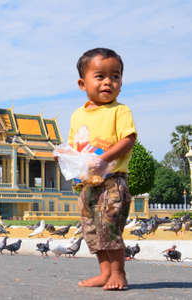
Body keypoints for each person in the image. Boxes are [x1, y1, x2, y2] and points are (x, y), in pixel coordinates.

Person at [68, 48, 137, 290]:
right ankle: (104, 273)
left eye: (115, 76)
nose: (108, 81)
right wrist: (66, 158)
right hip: (87, 184)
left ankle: (119, 273)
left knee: (110, 227)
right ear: (82, 83)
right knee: (92, 231)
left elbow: (128, 139)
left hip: (112, 181)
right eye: (100, 76)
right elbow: (74, 147)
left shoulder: (120, 111)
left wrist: (104, 158)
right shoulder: (77, 116)